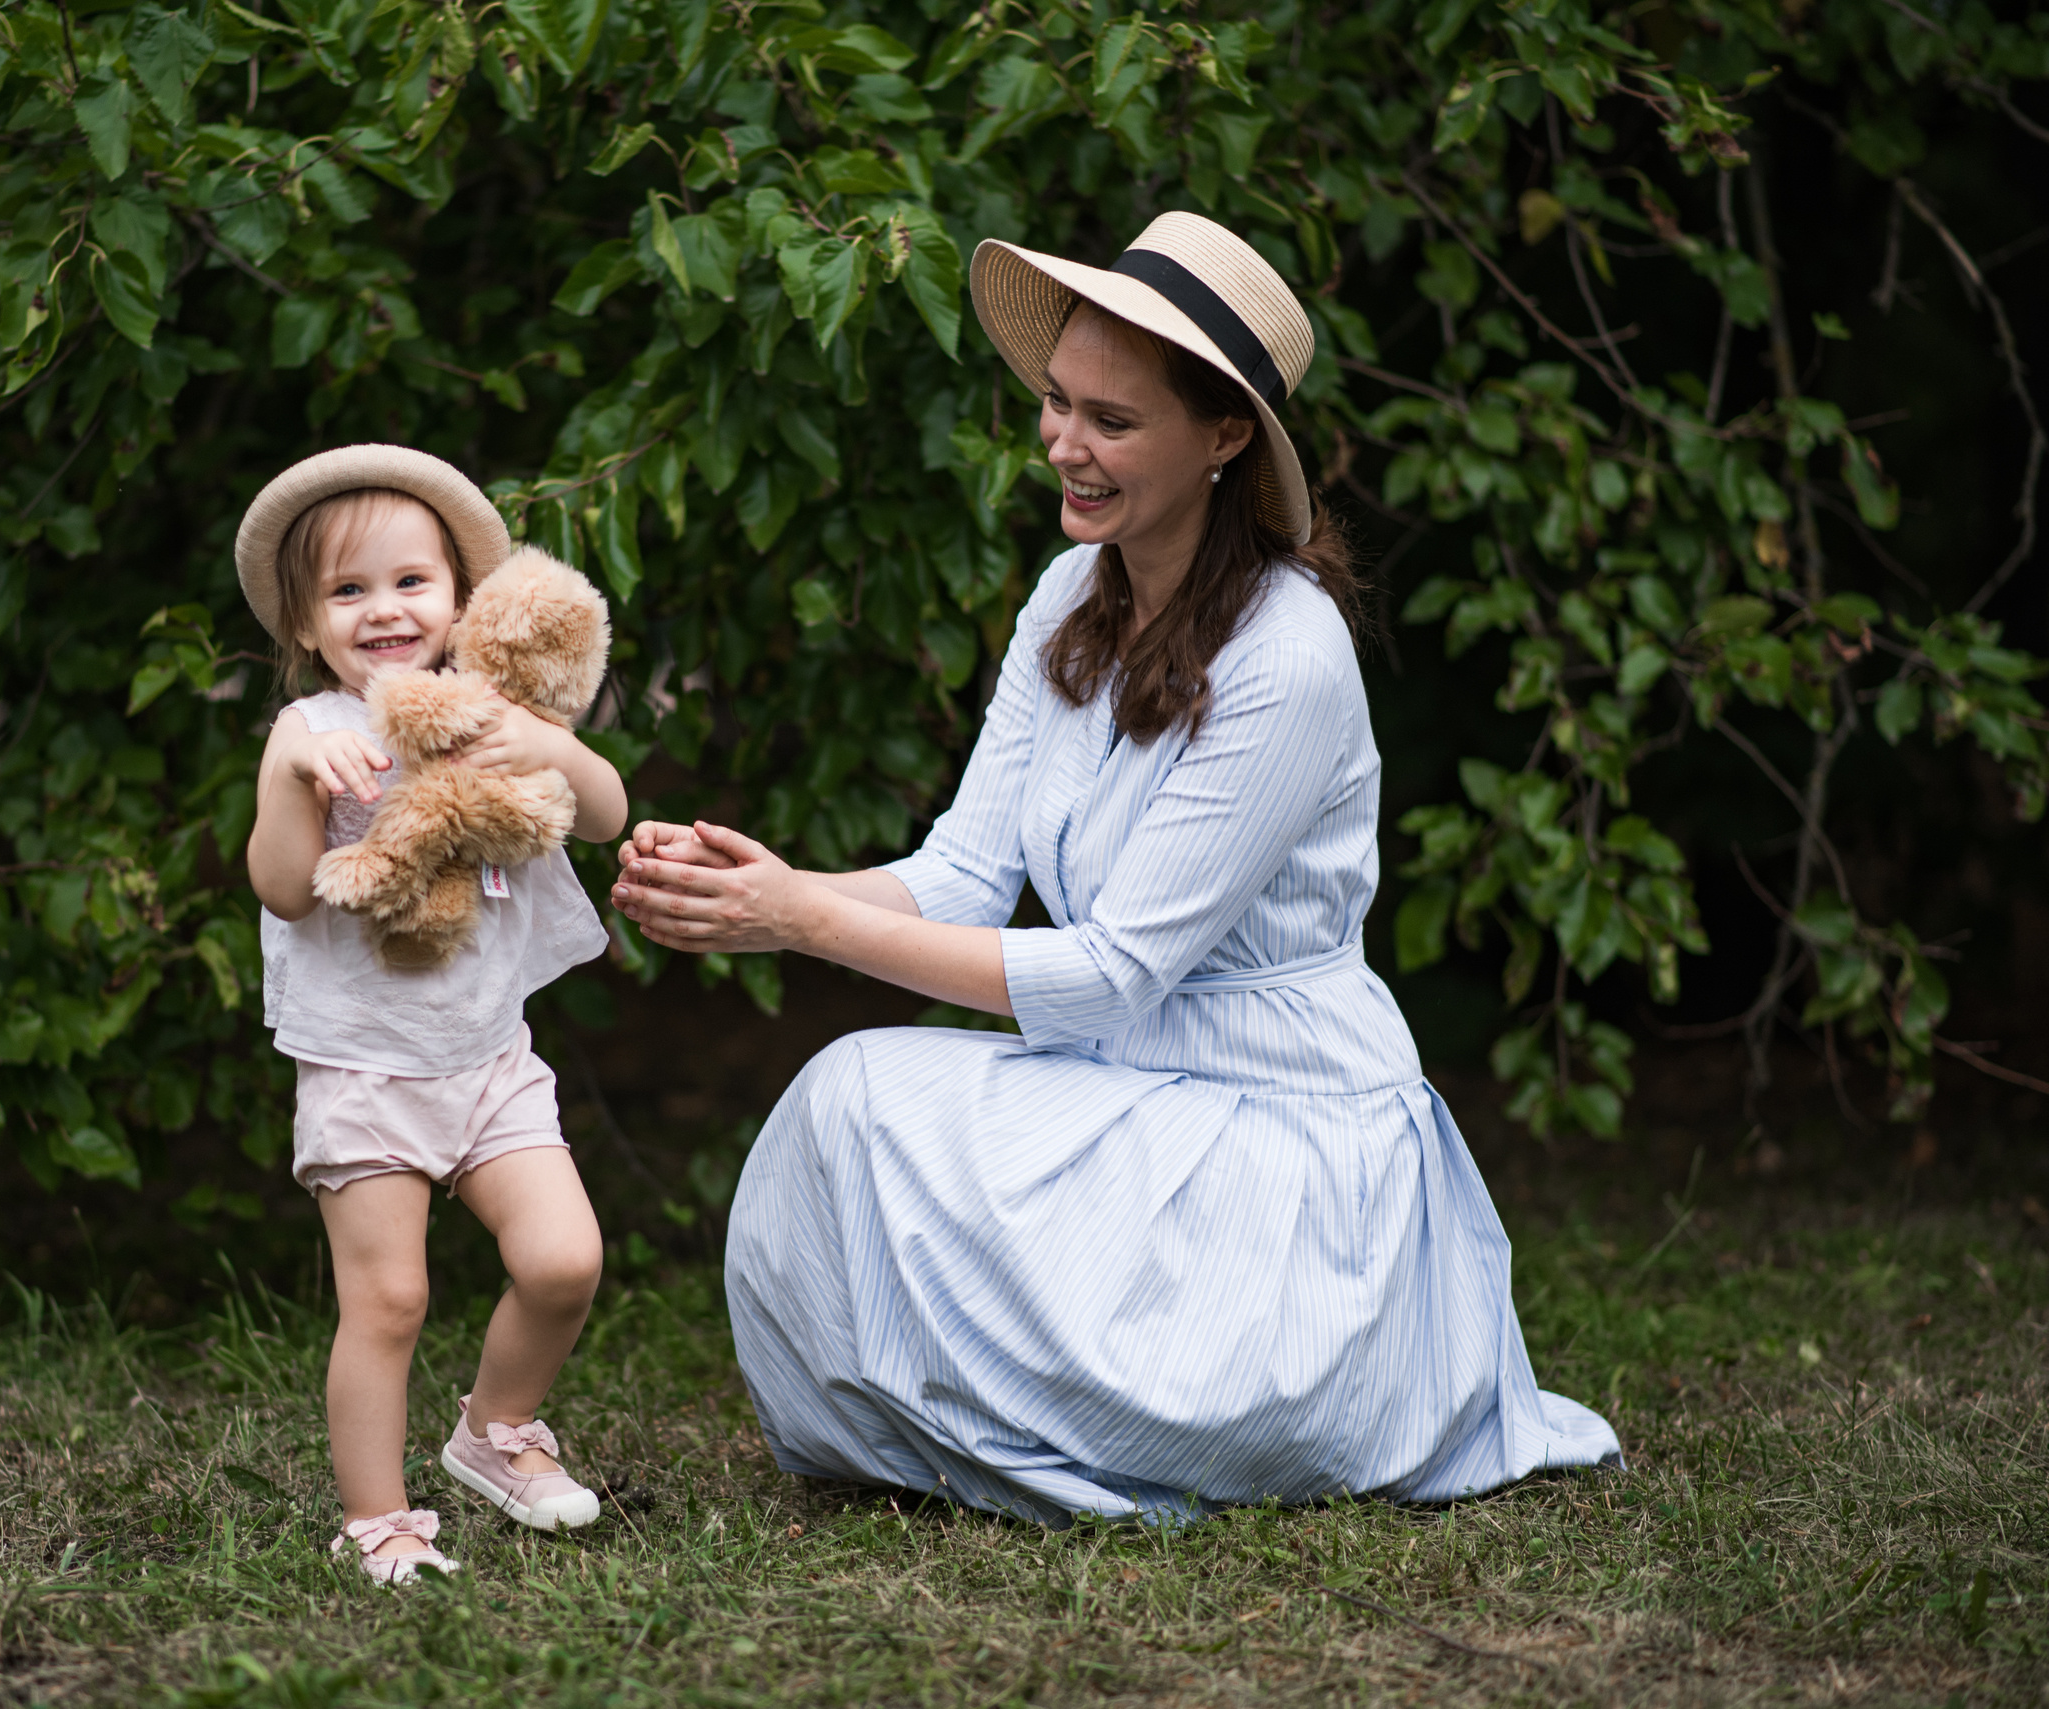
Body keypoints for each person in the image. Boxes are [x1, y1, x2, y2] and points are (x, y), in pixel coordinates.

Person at [610, 214, 1620, 1524]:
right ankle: (954, 1424)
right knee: (844, 1105)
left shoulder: (1288, 654)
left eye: (1112, 421)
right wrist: (760, 891)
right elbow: (966, 871)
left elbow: (1110, 975)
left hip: (1286, 1134)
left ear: (1225, 438)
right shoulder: (1070, 595)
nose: (1065, 447)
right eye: (1055, 404)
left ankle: (1161, 1410)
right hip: (1132, 1088)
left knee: (862, 1092)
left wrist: (802, 919)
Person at [237, 446, 629, 1583]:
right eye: (348, 591)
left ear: (460, 599)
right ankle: (379, 1516)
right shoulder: (308, 731)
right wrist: (290, 779)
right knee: (390, 1297)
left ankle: (492, 1433)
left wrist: (551, 743)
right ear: (308, 623)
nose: (384, 610)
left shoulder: (493, 713)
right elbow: (275, 884)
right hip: (363, 1068)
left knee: (564, 1260)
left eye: (411, 581)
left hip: (490, 1056)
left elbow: (600, 814)